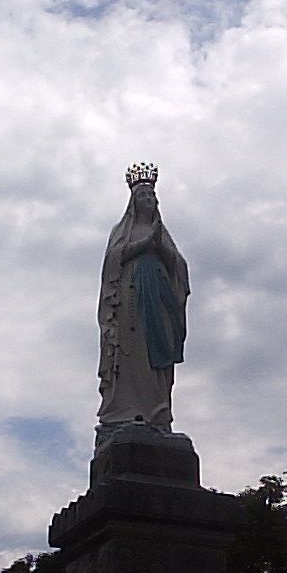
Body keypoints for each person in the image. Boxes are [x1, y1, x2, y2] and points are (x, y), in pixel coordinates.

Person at [97, 163, 190, 430]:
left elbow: (179, 266)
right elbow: (113, 259)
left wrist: (158, 244)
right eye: (143, 196)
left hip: (158, 298)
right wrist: (143, 244)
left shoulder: (162, 233)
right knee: (131, 349)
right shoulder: (122, 230)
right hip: (131, 297)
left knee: (155, 348)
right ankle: (126, 408)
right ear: (134, 202)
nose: (149, 200)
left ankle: (156, 408)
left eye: (152, 196)